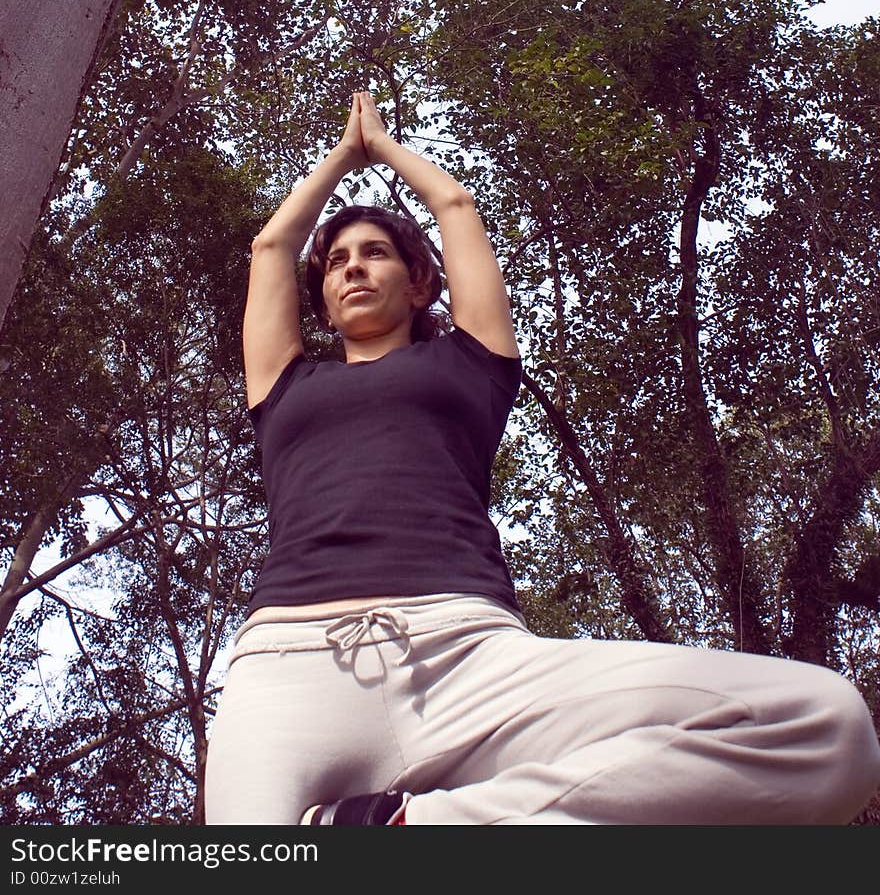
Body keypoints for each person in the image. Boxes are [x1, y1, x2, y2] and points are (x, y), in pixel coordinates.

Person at [204, 91, 880, 826]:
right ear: (324, 299)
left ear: (420, 281)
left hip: (466, 655)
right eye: (336, 262)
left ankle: (407, 827)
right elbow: (271, 248)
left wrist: (386, 147)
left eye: (376, 252)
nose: (353, 269)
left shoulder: (472, 362)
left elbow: (456, 207)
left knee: (826, 728)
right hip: (288, 668)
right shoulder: (285, 385)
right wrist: (342, 155)